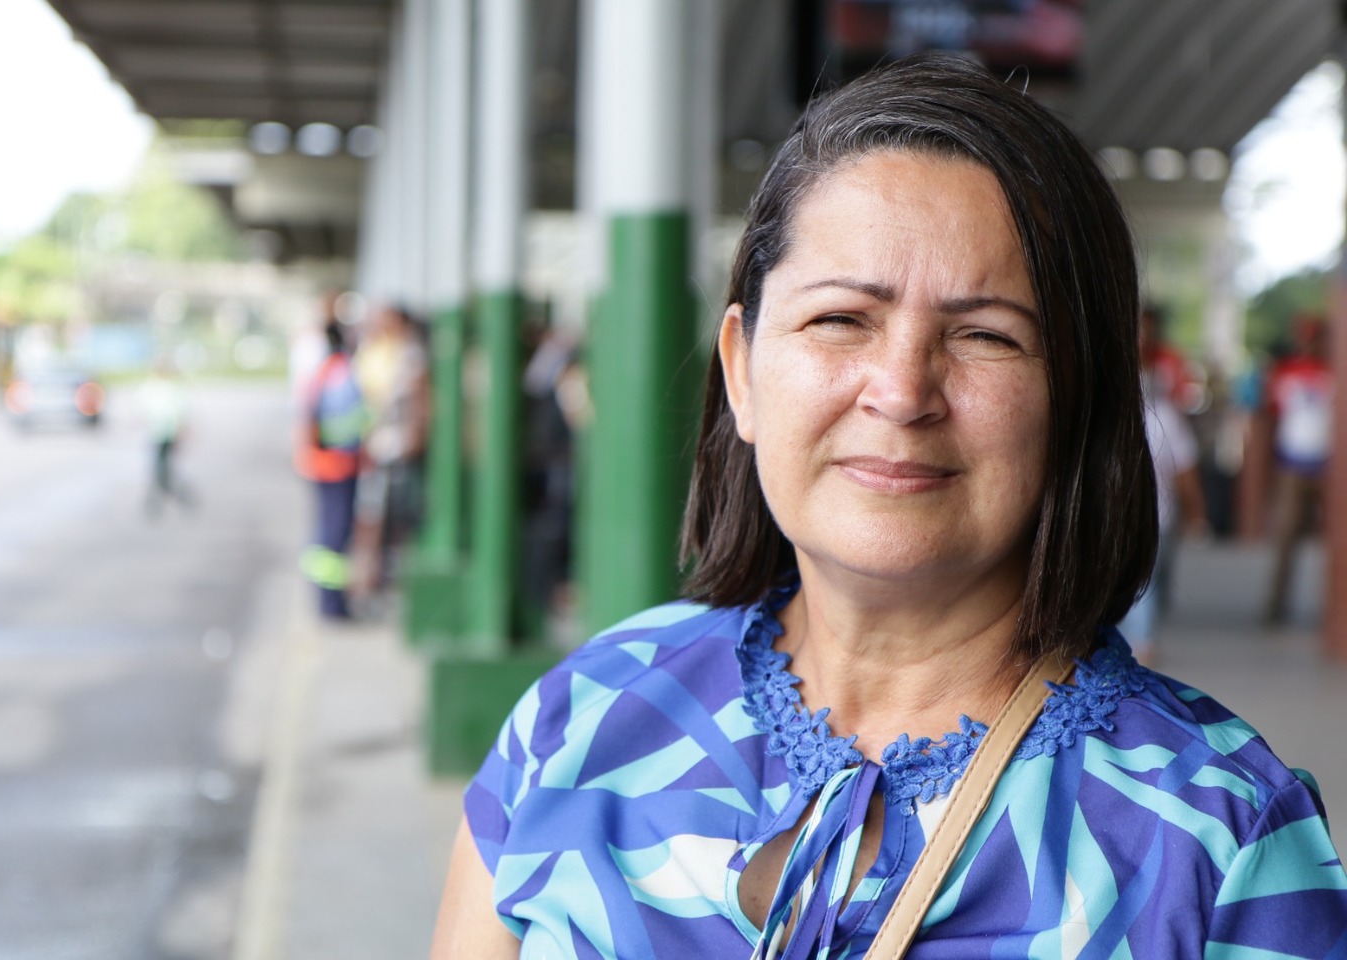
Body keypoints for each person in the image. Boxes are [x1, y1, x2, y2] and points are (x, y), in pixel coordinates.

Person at [432, 56, 1347, 958]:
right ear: (744, 371)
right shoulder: (581, 723)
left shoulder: (1219, 838)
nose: (903, 391)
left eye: (985, 335)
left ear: (1076, 404)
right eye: (840, 320)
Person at [1118, 331, 1207, 665]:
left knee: (1145, 583)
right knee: (1144, 584)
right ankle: (1142, 643)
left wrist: (1197, 513)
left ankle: (1141, 642)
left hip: (1155, 517)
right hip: (1140, 519)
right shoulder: (1116, 417)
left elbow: (1186, 471)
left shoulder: (1165, 417)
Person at [351, 303, 430, 594]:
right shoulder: (375, 351)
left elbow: (418, 400)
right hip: (378, 445)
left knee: (395, 514)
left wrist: (414, 434)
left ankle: (386, 576)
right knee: (372, 515)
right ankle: (372, 577)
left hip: (398, 448)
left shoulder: (410, 354)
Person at [1263, 312, 1333, 625]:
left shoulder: (1336, 370)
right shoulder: (1285, 371)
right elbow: (1274, 416)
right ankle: (1276, 608)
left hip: (1329, 468)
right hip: (1292, 465)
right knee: (1286, 537)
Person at [294, 318, 366, 620]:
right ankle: (333, 605)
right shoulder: (341, 373)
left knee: (326, 533)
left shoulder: (324, 371)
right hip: (338, 466)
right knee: (335, 535)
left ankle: (328, 602)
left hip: (323, 464)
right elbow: (349, 423)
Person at [140, 357, 194, 517]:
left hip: (168, 434)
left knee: (161, 469)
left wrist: (182, 430)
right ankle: (159, 500)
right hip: (156, 433)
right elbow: (143, 407)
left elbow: (180, 411)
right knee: (159, 468)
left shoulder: (171, 388)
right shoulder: (153, 387)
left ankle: (165, 498)